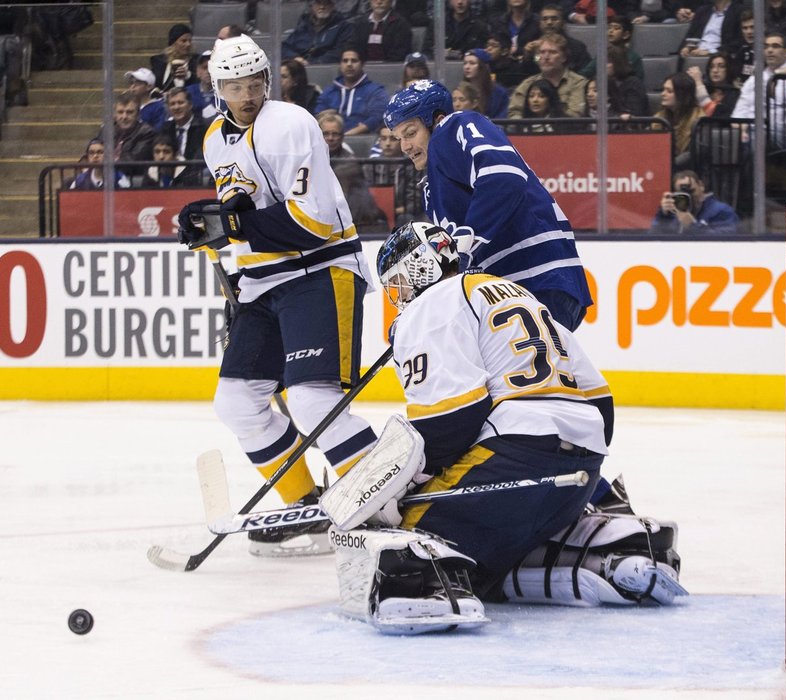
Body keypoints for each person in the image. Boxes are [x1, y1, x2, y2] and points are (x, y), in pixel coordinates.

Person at [319, 221, 683, 633]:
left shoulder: (431, 306)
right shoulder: (517, 294)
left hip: (510, 460)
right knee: (501, 552)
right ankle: (607, 551)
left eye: (400, 282)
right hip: (580, 467)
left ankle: (426, 585)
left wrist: (405, 486)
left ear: (420, 266)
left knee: (401, 527)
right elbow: (601, 402)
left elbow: (448, 421)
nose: (400, 297)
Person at [175, 35, 377, 557]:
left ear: (268, 81)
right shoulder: (214, 137)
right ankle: (303, 505)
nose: (246, 94)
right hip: (264, 283)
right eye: (233, 86)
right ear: (217, 89)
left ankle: (384, 502)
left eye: (254, 83)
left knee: (312, 401)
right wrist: (214, 222)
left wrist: (235, 225)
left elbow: (310, 223)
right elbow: (240, 199)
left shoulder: (291, 124)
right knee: (238, 402)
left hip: (320, 270)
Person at [385, 79, 593, 331]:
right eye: (398, 138)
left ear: (436, 120)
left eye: (410, 133)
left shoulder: (454, 127)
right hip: (507, 291)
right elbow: (461, 258)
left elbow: (504, 175)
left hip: (535, 277)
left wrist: (468, 238)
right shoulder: (432, 188)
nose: (405, 146)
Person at [319, 110, 387, 227]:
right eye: (326, 133)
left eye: (335, 134)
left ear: (342, 136)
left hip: (348, 221)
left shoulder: (350, 163)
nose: (330, 138)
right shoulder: (309, 158)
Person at [507, 33, 588, 119]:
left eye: (552, 52)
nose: (546, 57)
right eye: (542, 52)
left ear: (564, 57)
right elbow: (514, 112)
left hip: (565, 130)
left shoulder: (578, 82)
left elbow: (575, 115)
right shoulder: (528, 83)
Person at [314, 48, 389, 136]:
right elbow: (318, 116)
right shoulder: (329, 92)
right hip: (331, 138)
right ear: (340, 65)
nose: (349, 64)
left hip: (361, 138)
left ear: (362, 64)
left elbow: (377, 117)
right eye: (345, 61)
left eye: (354, 61)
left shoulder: (375, 90)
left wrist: (347, 135)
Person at [648, 169, 740, 235]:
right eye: (682, 194)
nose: (689, 197)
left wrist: (692, 225)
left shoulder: (721, 210)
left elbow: (727, 239)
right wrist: (663, 214)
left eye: (691, 191)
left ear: (701, 186)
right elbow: (653, 237)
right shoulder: (673, 213)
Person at [160, 87, 210, 186]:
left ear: (190, 105)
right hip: (171, 179)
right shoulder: (165, 129)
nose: (176, 107)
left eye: (180, 102)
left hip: (196, 181)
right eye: (172, 104)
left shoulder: (205, 127)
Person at [282, 0, 354, 65]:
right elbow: (285, 47)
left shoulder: (343, 26)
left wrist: (312, 63)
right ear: (312, 6)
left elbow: (340, 52)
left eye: (327, 3)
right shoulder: (304, 25)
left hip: (325, 68)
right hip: (299, 68)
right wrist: (295, 58)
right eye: (318, 2)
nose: (322, 7)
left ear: (333, 6)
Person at [655, 72, 703, 169]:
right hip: (662, 167)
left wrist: (670, 165)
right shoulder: (658, 118)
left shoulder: (699, 119)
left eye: (669, 91)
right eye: (663, 90)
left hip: (690, 170)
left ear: (682, 94)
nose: (663, 94)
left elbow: (693, 153)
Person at [421, 0, 489, 59]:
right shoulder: (438, 24)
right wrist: (440, 54)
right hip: (442, 68)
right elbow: (426, 50)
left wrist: (461, 55)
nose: (460, 2)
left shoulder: (479, 26)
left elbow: (483, 53)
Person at [460, 48, 508, 119]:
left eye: (472, 63)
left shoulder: (500, 93)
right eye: (465, 63)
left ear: (483, 67)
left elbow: (502, 118)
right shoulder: (460, 92)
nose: (467, 67)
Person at [687, 53, 739, 118]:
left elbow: (717, 117)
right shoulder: (706, 89)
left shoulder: (734, 93)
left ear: (729, 69)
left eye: (721, 66)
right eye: (712, 67)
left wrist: (698, 82)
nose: (715, 70)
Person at [149, 23, 198, 92]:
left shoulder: (196, 61)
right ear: (173, 43)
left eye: (190, 41)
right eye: (183, 41)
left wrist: (188, 75)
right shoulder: (159, 62)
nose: (188, 44)